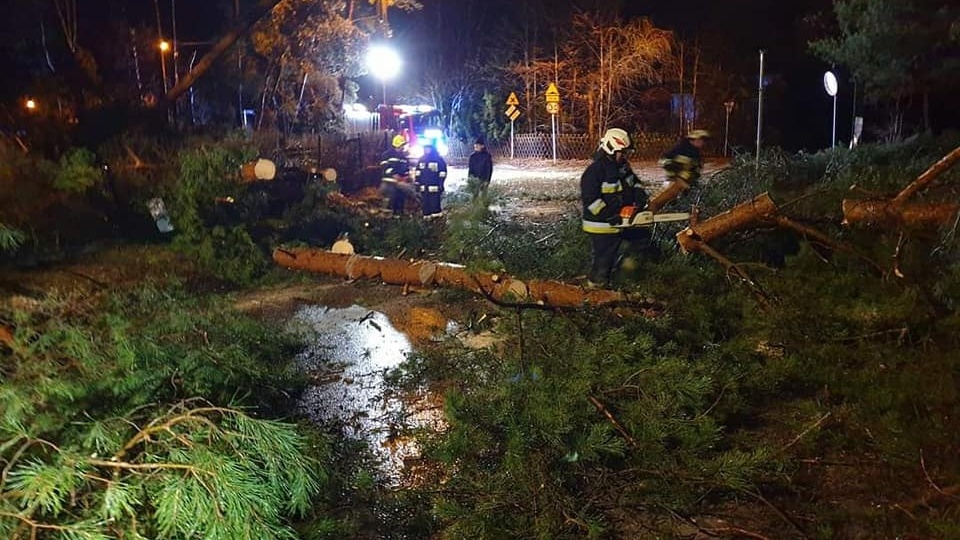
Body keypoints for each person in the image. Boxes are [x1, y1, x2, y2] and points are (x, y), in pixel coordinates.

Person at [580, 127, 649, 288]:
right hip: (601, 225)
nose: (624, 156)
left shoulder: (622, 167)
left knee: (641, 239)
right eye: (622, 152)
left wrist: (639, 198)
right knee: (604, 259)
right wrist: (610, 215)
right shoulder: (594, 171)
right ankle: (595, 290)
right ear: (611, 149)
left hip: (622, 221)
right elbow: (591, 201)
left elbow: (634, 183)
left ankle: (623, 275)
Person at [379, 134, 412, 216]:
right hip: (389, 182)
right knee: (389, 200)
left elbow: (406, 169)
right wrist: (393, 175)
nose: (403, 147)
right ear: (398, 145)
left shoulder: (403, 157)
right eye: (402, 145)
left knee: (400, 199)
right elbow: (385, 167)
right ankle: (387, 219)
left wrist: (407, 177)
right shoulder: (387, 154)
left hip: (400, 183)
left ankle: (398, 216)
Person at [414, 142, 447, 219]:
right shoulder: (421, 159)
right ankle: (426, 221)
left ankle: (437, 222)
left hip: (434, 187)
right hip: (424, 187)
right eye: (425, 148)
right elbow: (418, 172)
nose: (427, 150)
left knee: (435, 204)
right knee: (425, 205)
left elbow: (442, 172)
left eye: (428, 148)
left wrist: (441, 183)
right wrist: (417, 183)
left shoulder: (438, 159)